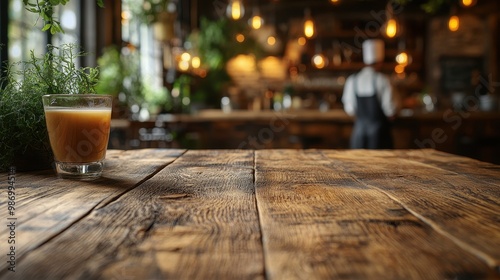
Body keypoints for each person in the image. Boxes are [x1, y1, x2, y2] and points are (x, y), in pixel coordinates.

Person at [342, 39, 397, 149]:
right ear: (380, 62)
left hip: (358, 134)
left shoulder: (352, 80)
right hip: (379, 136)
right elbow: (390, 111)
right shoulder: (383, 80)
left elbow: (350, 110)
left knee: (358, 164)